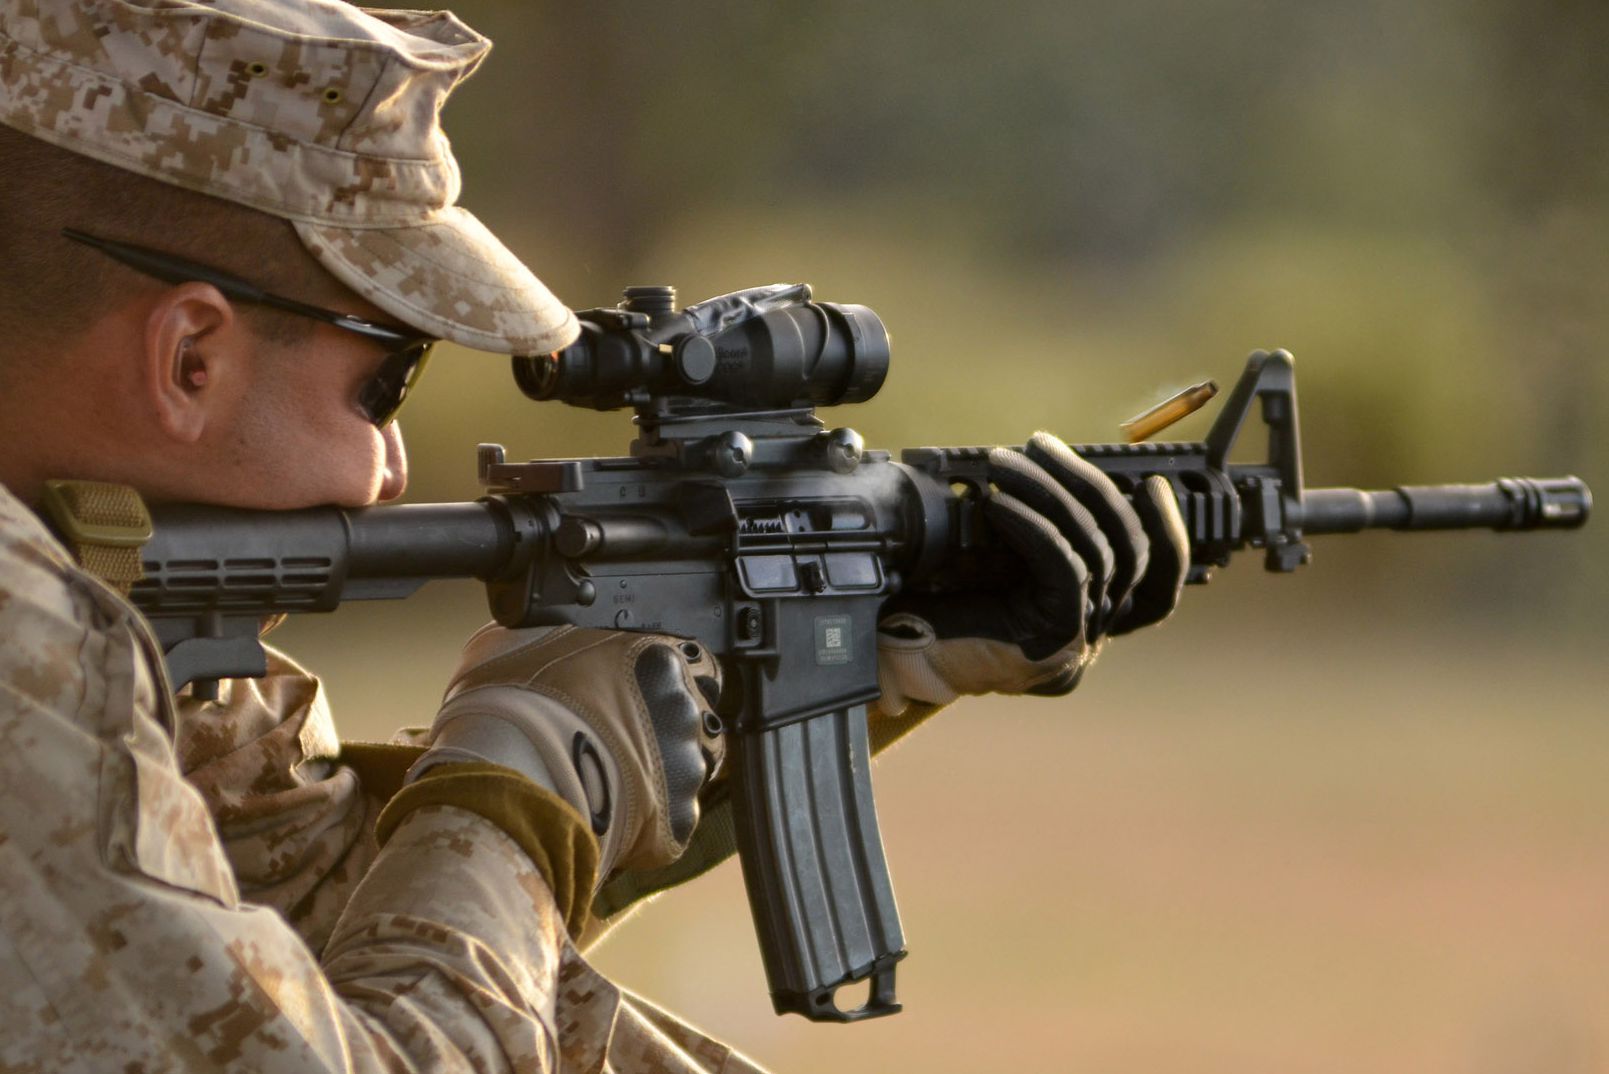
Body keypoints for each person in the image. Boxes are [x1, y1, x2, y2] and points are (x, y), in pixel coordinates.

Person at [0, 1, 1189, 1070]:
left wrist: (860, 667)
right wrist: (525, 758)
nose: (389, 473)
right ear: (189, 357)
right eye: (386, 386)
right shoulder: (25, 641)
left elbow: (315, 922)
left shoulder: (116, 640)